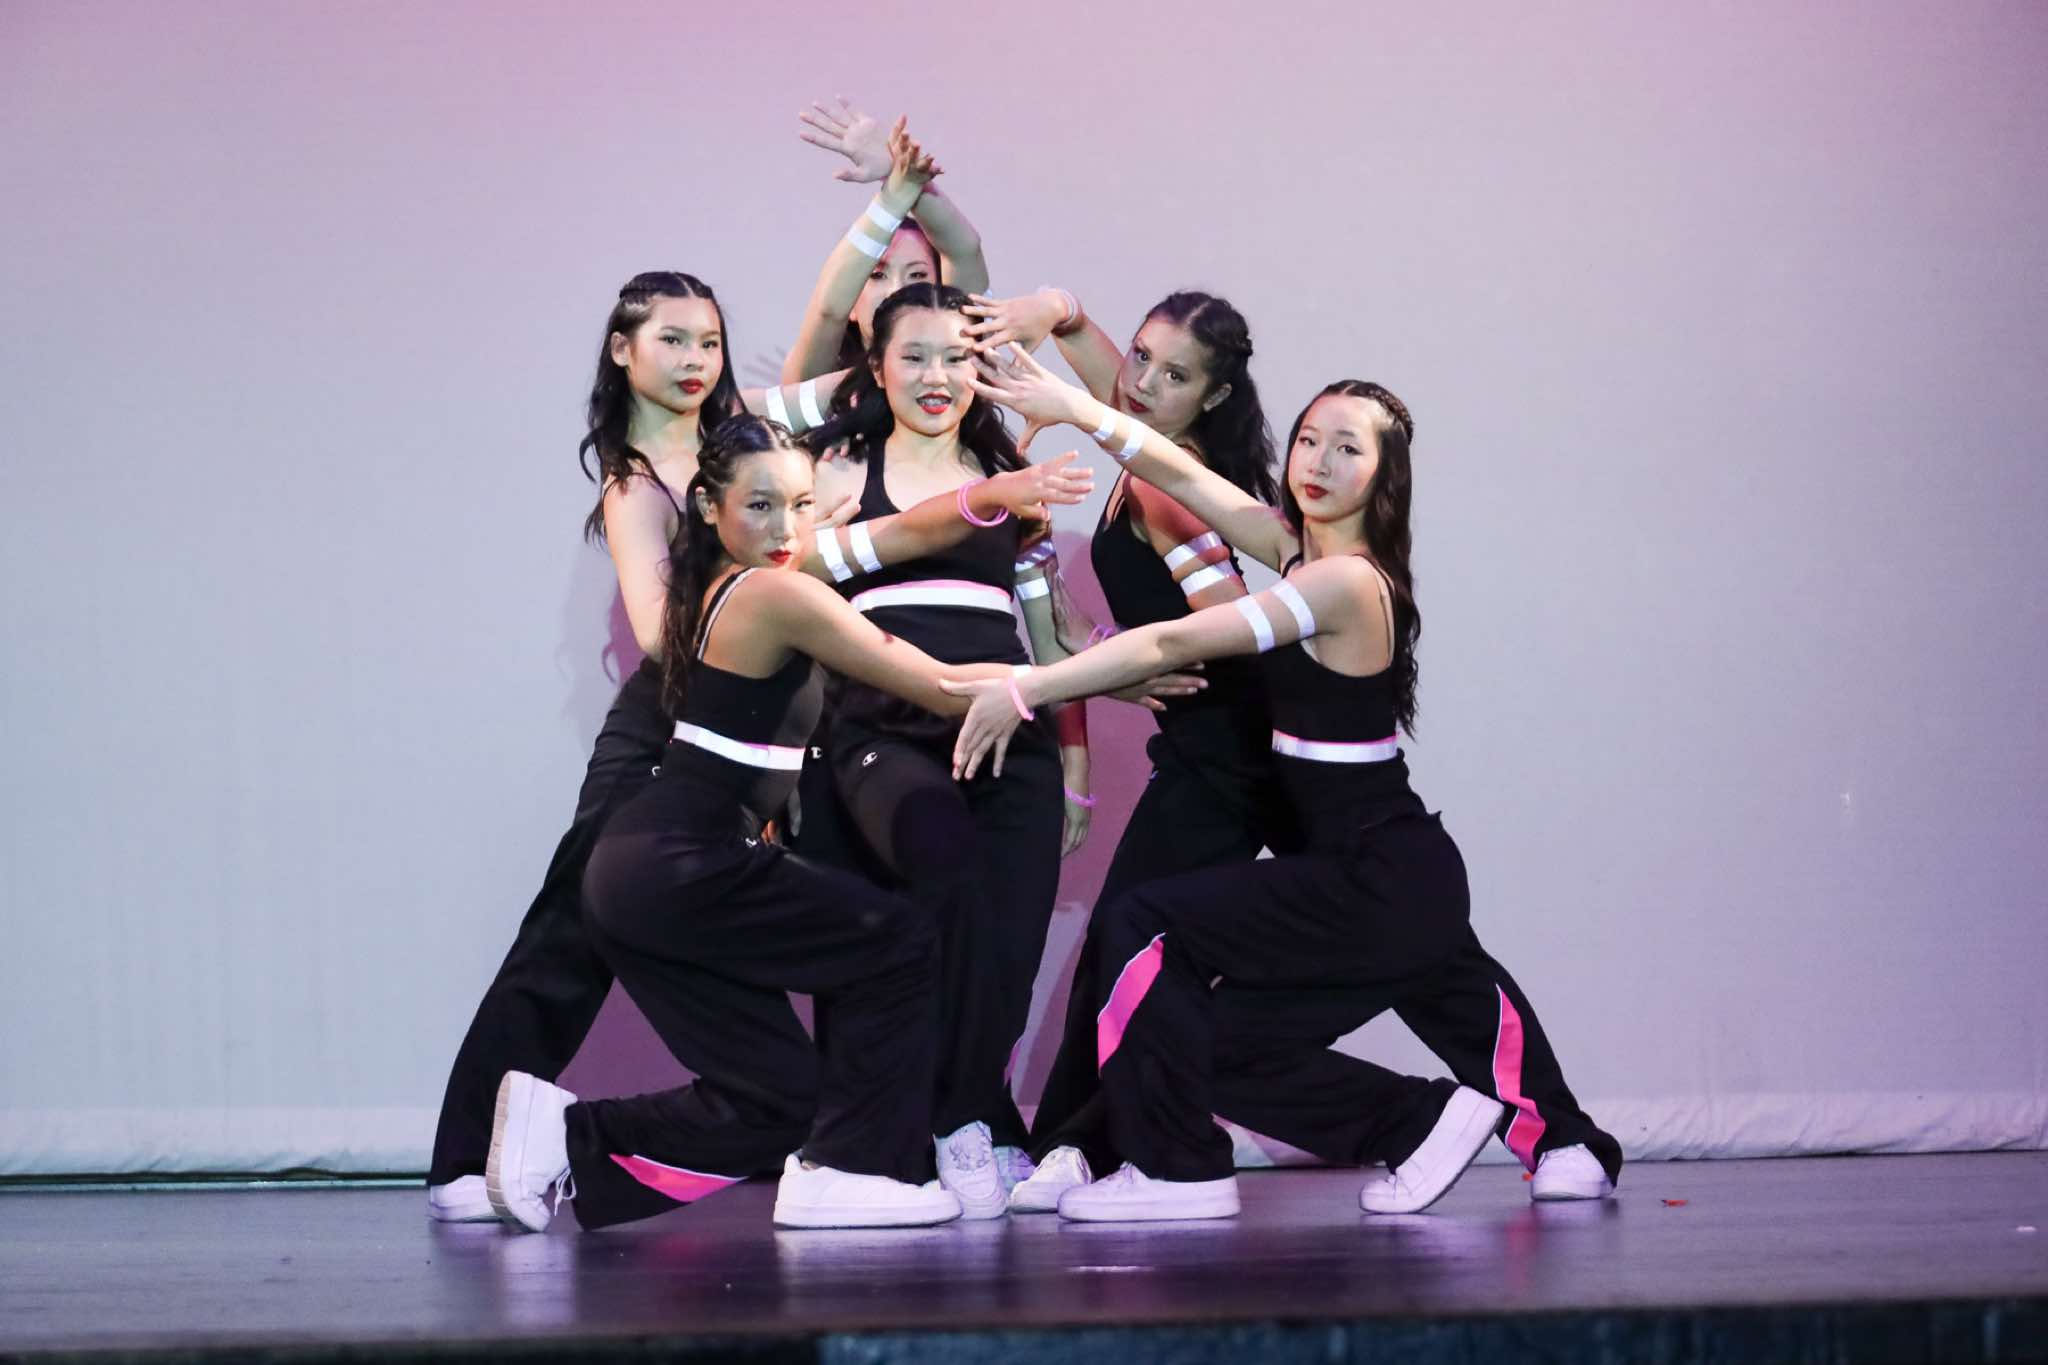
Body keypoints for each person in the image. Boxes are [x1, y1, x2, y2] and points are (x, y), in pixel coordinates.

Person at [424, 267, 1086, 1222]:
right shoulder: (732, 558)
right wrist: (1085, 668)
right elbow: (915, 667)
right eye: (763, 507)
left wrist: (918, 230)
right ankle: (843, 1172)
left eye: (800, 505)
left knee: (782, 1090)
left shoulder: (753, 476)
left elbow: (878, 366)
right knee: (889, 942)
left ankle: (569, 1139)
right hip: (670, 826)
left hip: (685, 847)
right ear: (712, 508)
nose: (787, 526)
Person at [946, 346, 1625, 1221]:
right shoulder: (1302, 555)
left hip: (1381, 866)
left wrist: (1027, 687)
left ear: (1384, 477)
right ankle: (1427, 1124)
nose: (1320, 461)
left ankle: (1182, 1170)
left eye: (1348, 448)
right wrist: (1078, 408)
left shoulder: (1345, 583)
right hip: (1358, 867)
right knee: (1220, 1042)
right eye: (1309, 439)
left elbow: (1173, 641)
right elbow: (1183, 475)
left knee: (1154, 926)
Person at [794, 284, 1180, 1218]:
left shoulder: (1012, 476)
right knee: (945, 881)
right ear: (876, 367)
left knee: (1009, 939)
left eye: (957, 357)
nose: (937, 376)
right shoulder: (840, 471)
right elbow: (793, 584)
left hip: (1012, 725)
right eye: (914, 355)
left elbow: (1050, 628)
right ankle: (934, 1125)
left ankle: (966, 1116)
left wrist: (1123, 676)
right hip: (886, 725)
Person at [961, 285, 1316, 1211]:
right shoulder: (1144, 449)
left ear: (1213, 396)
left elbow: (1223, 622)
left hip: (1233, 759)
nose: (1146, 382)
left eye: (1176, 374)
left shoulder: (1164, 482)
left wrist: (1113, 664)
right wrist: (1058, 311)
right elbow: (1099, 374)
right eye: (1144, 358)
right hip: (1209, 753)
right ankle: (1079, 1145)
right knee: (1139, 942)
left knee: (1128, 941)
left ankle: (1077, 1147)